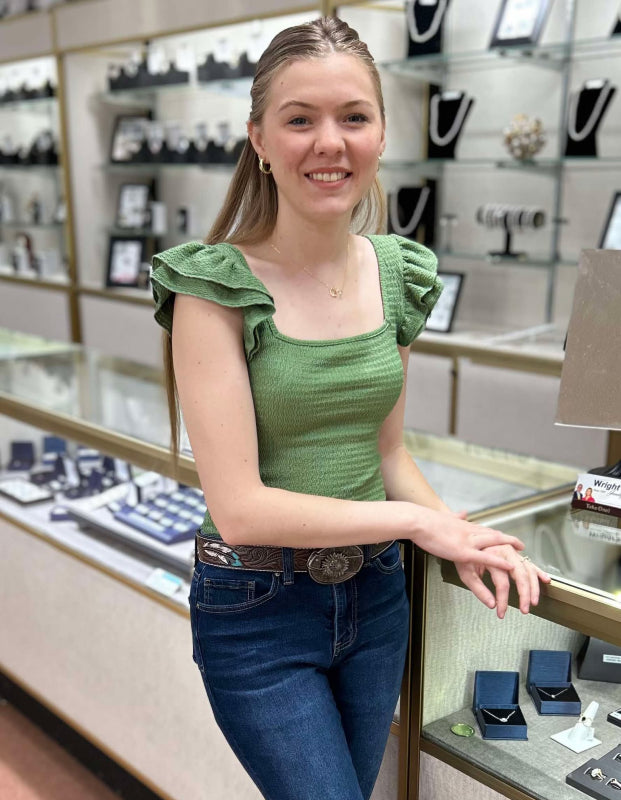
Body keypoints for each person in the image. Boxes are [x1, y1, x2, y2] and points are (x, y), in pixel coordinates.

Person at [150, 17, 550, 800]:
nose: (328, 142)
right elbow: (240, 510)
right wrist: (418, 525)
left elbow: (386, 453)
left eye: (353, 117)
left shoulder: (397, 272)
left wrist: (460, 534)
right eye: (299, 119)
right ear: (259, 140)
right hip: (257, 609)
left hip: (376, 598)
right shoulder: (214, 288)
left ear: (380, 134)